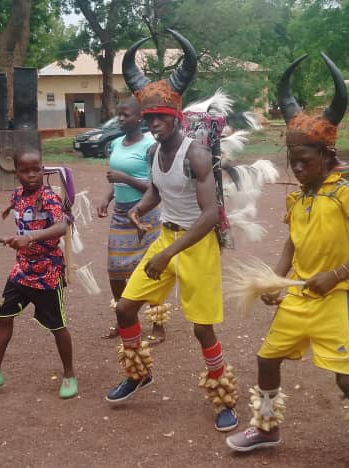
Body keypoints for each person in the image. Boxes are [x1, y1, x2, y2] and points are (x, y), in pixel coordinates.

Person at [224, 53, 349, 466]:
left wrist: (336, 275)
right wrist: (273, 280)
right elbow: (293, 244)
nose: (297, 168)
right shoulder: (297, 195)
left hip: (339, 297)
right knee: (266, 358)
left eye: (306, 161)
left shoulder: (346, 192)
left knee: (346, 377)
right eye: (292, 160)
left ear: (329, 155)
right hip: (299, 294)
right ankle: (266, 427)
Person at [105, 29, 240, 432]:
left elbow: (210, 214)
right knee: (127, 308)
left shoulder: (195, 154)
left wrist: (168, 253)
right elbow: (158, 193)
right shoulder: (152, 151)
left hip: (195, 244)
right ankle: (138, 372)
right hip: (166, 237)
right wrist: (140, 209)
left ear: (177, 115)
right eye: (149, 118)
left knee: (202, 329)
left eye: (161, 117)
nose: (155, 124)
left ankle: (223, 397)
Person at [0, 147, 78, 399]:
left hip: (47, 272)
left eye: (36, 169)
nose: (31, 175)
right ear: (16, 174)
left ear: (42, 169)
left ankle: (69, 374)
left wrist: (31, 237)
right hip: (22, 270)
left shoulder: (48, 197)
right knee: (3, 318)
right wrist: (11, 223)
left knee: (58, 326)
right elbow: (18, 210)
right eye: (25, 171)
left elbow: (62, 225)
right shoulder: (17, 194)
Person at [96, 97, 163, 342]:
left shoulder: (151, 146)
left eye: (126, 114)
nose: (121, 119)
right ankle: (124, 318)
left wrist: (124, 177)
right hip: (121, 215)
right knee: (115, 271)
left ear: (139, 117)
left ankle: (158, 324)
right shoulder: (115, 144)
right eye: (119, 114)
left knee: (151, 270)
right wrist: (106, 197)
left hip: (146, 215)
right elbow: (115, 183)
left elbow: (155, 188)